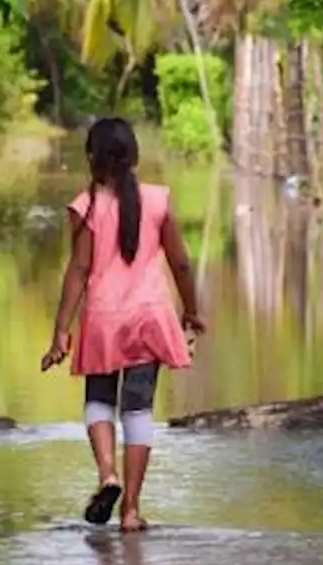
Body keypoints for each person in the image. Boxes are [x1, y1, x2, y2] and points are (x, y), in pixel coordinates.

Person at [41, 117, 205, 532]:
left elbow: (78, 270)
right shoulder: (158, 200)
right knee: (138, 409)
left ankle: (107, 475)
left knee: (99, 399)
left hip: (102, 318)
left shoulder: (87, 206)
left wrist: (61, 330)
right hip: (149, 316)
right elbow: (181, 262)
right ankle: (130, 511)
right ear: (134, 156)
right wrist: (192, 309)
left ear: (92, 159)